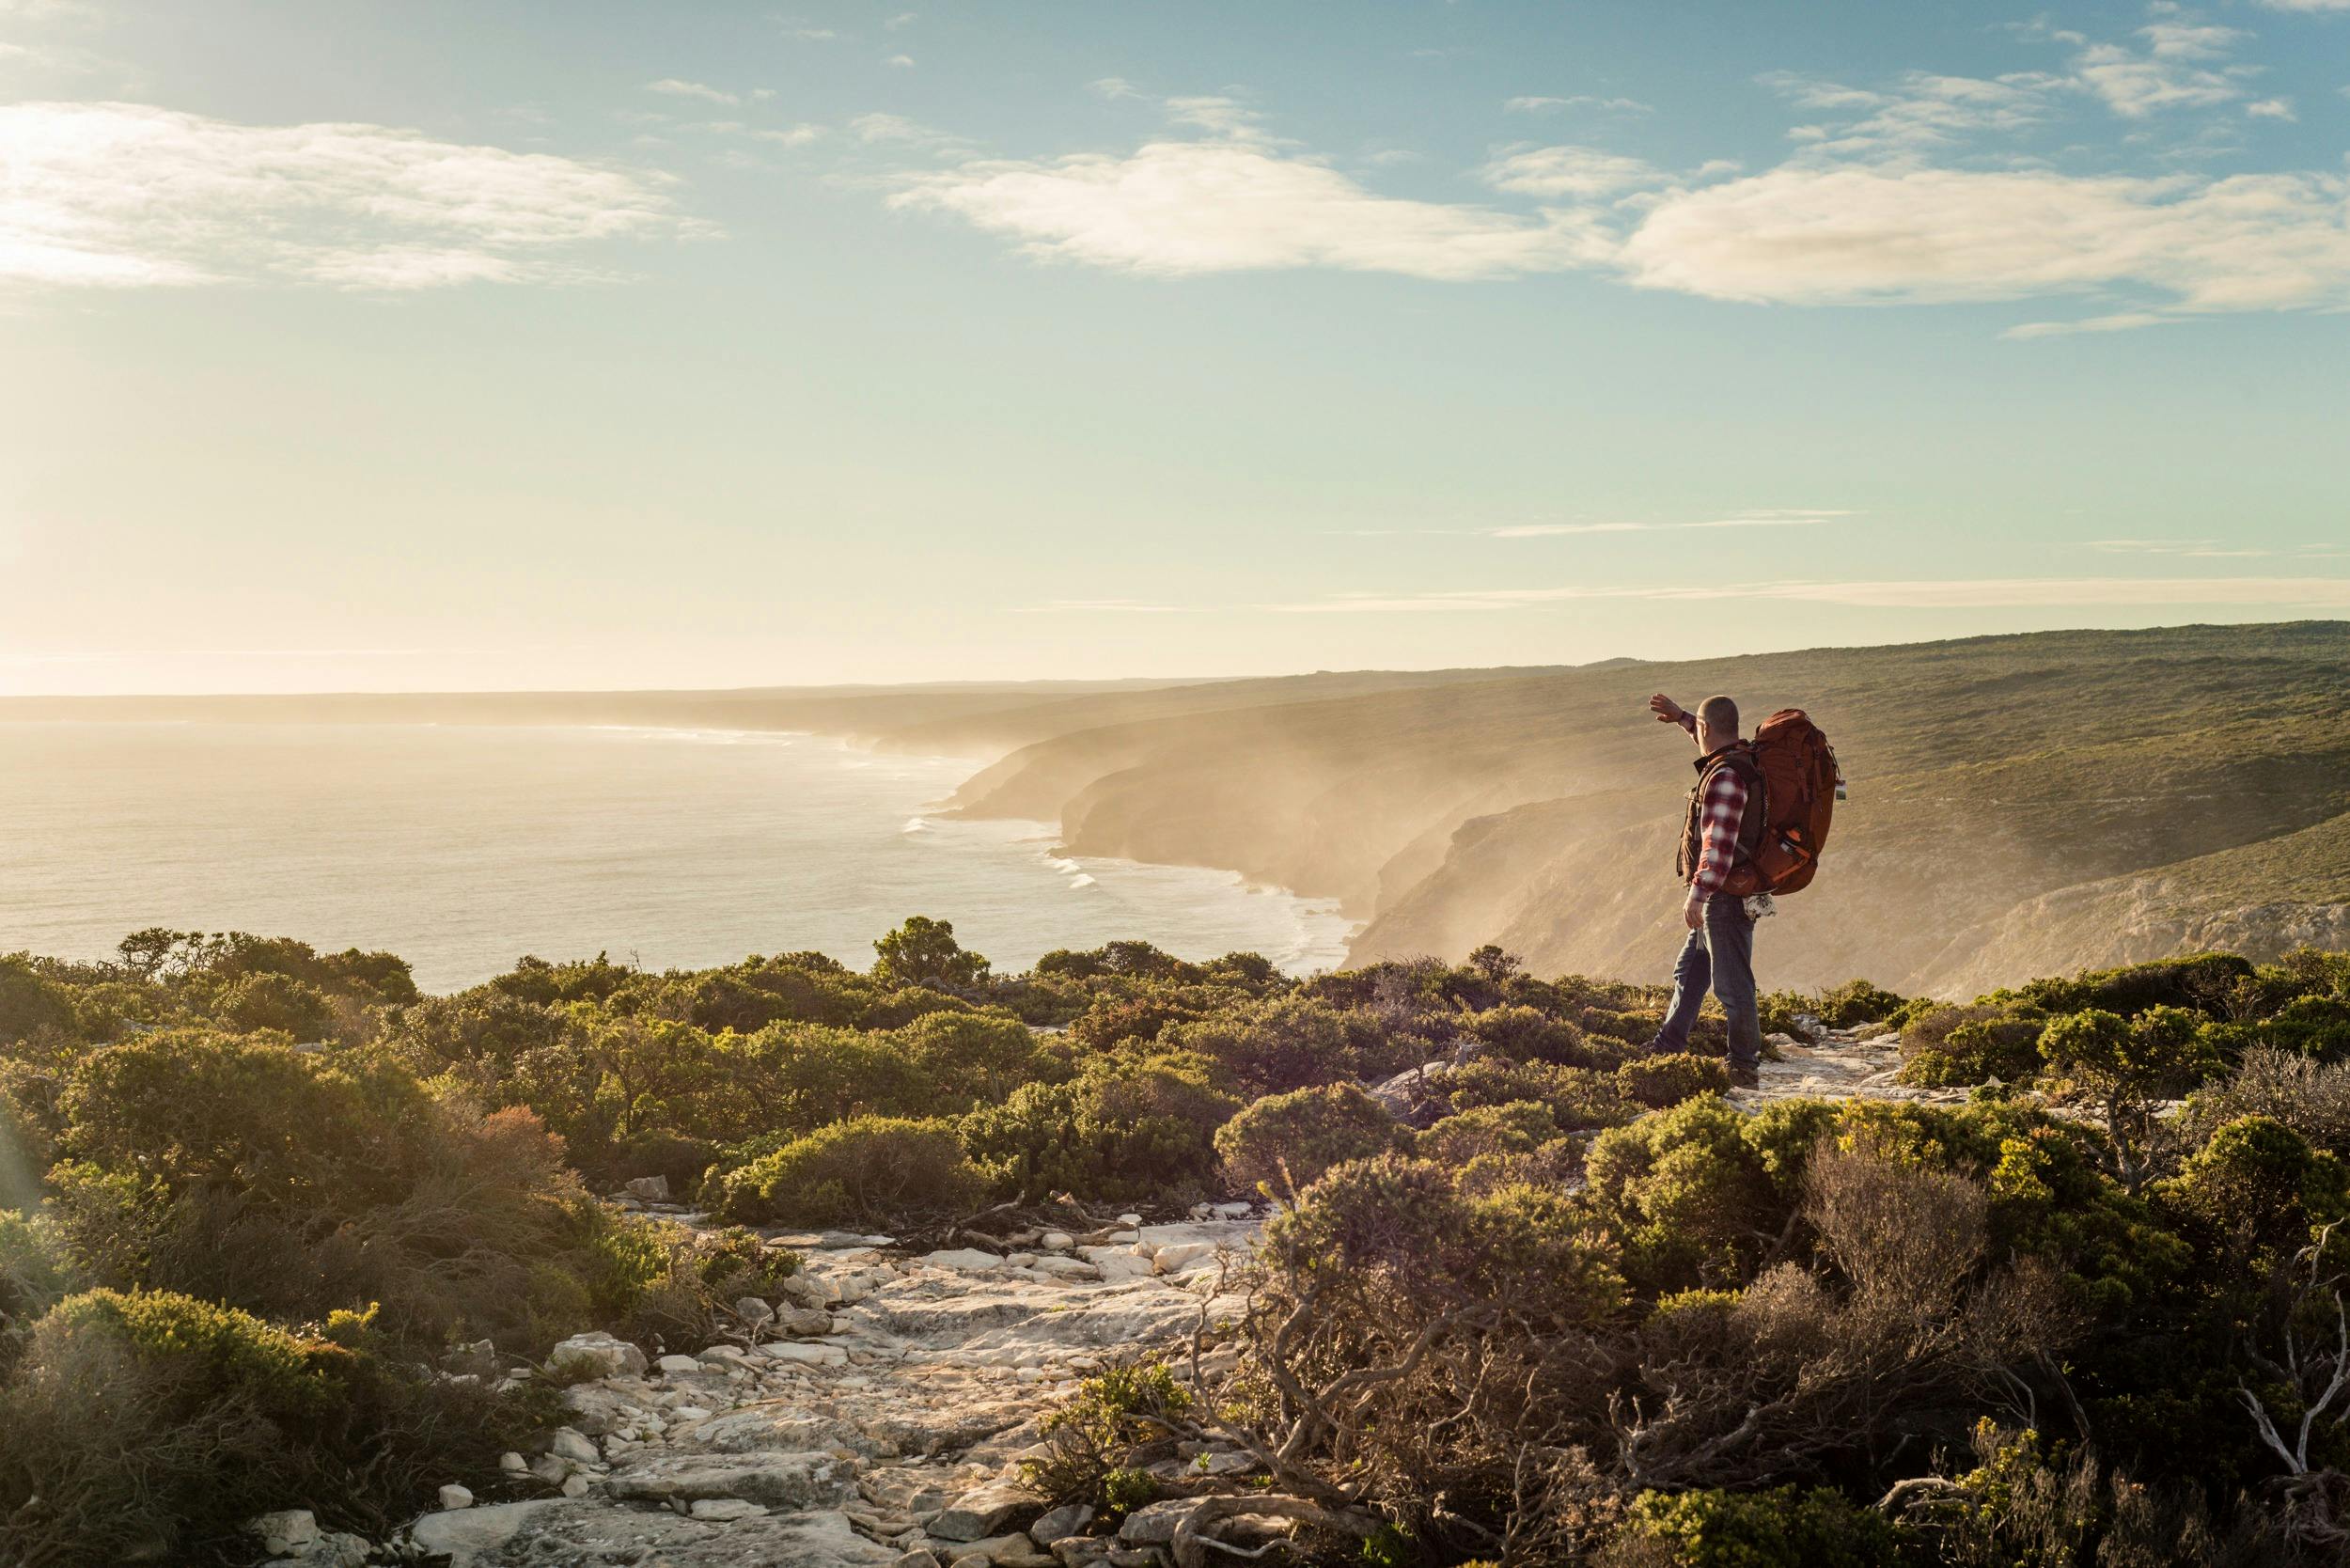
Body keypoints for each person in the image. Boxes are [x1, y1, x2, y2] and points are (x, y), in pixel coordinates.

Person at [1644, 692, 1765, 1089]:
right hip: (1722, 893)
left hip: (1723, 896)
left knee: (1732, 985)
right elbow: (1708, 736)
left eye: (1697, 725)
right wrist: (1682, 717)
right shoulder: (1735, 759)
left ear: (1707, 728)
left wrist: (1698, 893)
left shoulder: (1726, 777)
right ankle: (1667, 1047)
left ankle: (1744, 1068)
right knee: (1691, 972)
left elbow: (1718, 844)